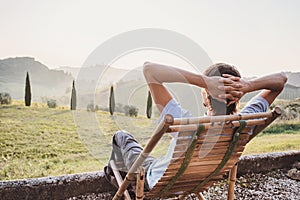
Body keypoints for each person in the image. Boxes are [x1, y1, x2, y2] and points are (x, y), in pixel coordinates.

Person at [104, 62, 287, 192]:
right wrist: (248, 86)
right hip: (199, 181)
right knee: (151, 159)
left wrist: (205, 82)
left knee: (122, 137)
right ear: (238, 96)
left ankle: (122, 181)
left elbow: (149, 69)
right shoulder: (246, 123)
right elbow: (281, 80)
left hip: (156, 180)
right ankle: (121, 178)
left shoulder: (188, 124)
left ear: (205, 96)